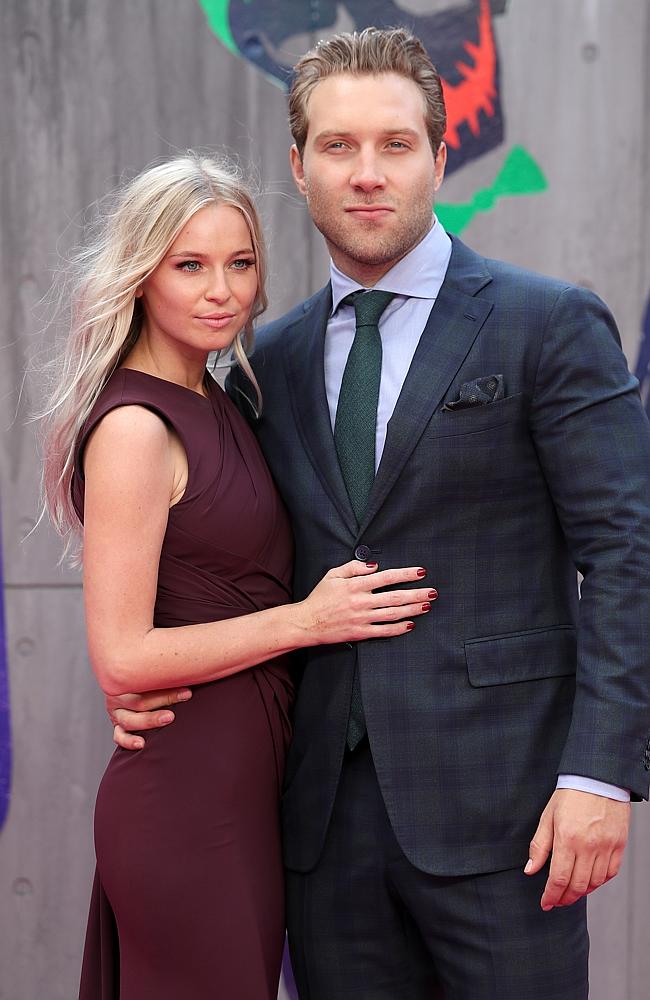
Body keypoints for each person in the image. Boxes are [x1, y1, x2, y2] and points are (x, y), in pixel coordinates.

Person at [110, 30, 650, 1000]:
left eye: (394, 145)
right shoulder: (260, 362)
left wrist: (598, 776)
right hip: (318, 835)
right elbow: (224, 555)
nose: (366, 174)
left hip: (511, 822)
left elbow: (627, 551)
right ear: (298, 166)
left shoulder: (544, 321)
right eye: (337, 146)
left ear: (439, 159)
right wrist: (146, 671)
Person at [39, 153, 434, 999]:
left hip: (245, 792)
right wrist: (307, 621)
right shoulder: (138, 427)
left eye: (241, 263)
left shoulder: (223, 397)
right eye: (191, 265)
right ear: (142, 277)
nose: (223, 290)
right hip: (185, 802)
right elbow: (123, 658)